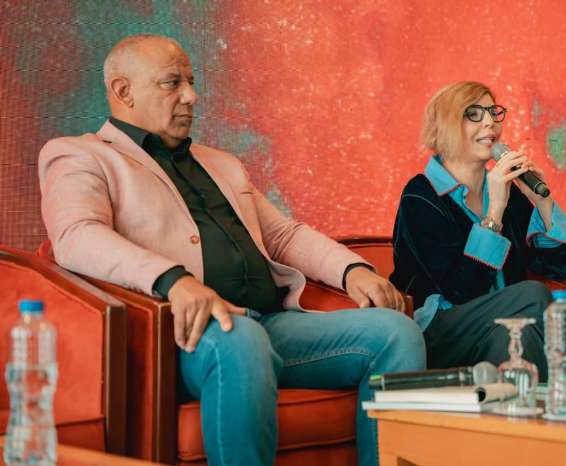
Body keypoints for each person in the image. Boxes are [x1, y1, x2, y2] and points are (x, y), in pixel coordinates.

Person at [38, 34, 425, 466]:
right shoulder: (81, 155)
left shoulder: (221, 164)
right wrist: (174, 281)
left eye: (191, 82)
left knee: (396, 332)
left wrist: (353, 270)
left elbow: (283, 235)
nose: (191, 96)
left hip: (271, 322)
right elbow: (76, 235)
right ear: (123, 91)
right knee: (241, 338)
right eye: (172, 83)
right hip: (180, 335)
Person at [390, 81, 566, 380]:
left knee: (517, 338)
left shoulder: (506, 190)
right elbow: (462, 290)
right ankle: (558, 398)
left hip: (502, 325)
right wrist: (494, 214)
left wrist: (543, 202)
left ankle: (512, 407)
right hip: (440, 333)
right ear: (446, 126)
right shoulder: (421, 195)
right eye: (474, 114)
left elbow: (562, 266)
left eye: (493, 112)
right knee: (532, 296)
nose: (490, 122)